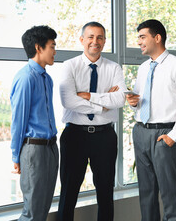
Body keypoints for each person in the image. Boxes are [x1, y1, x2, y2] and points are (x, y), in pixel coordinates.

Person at [126, 19, 176, 221]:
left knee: (169, 192)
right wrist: (133, 102)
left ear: (157, 38)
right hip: (141, 132)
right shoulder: (142, 68)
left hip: (164, 134)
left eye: (142, 37)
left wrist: (172, 136)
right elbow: (141, 102)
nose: (139, 42)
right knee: (146, 192)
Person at [58, 21, 126, 221]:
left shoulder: (114, 68)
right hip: (74, 136)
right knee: (69, 192)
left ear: (104, 42)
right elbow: (68, 100)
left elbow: (120, 98)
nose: (95, 41)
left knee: (105, 192)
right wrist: (104, 102)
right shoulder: (69, 66)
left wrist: (89, 96)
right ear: (81, 40)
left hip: (104, 136)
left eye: (100, 37)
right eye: (90, 37)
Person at [10, 25, 58, 221]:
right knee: (32, 212)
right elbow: (18, 121)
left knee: (43, 208)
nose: (55, 51)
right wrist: (15, 156)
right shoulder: (25, 78)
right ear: (39, 48)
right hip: (34, 150)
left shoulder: (47, 79)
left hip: (51, 148)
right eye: (52, 46)